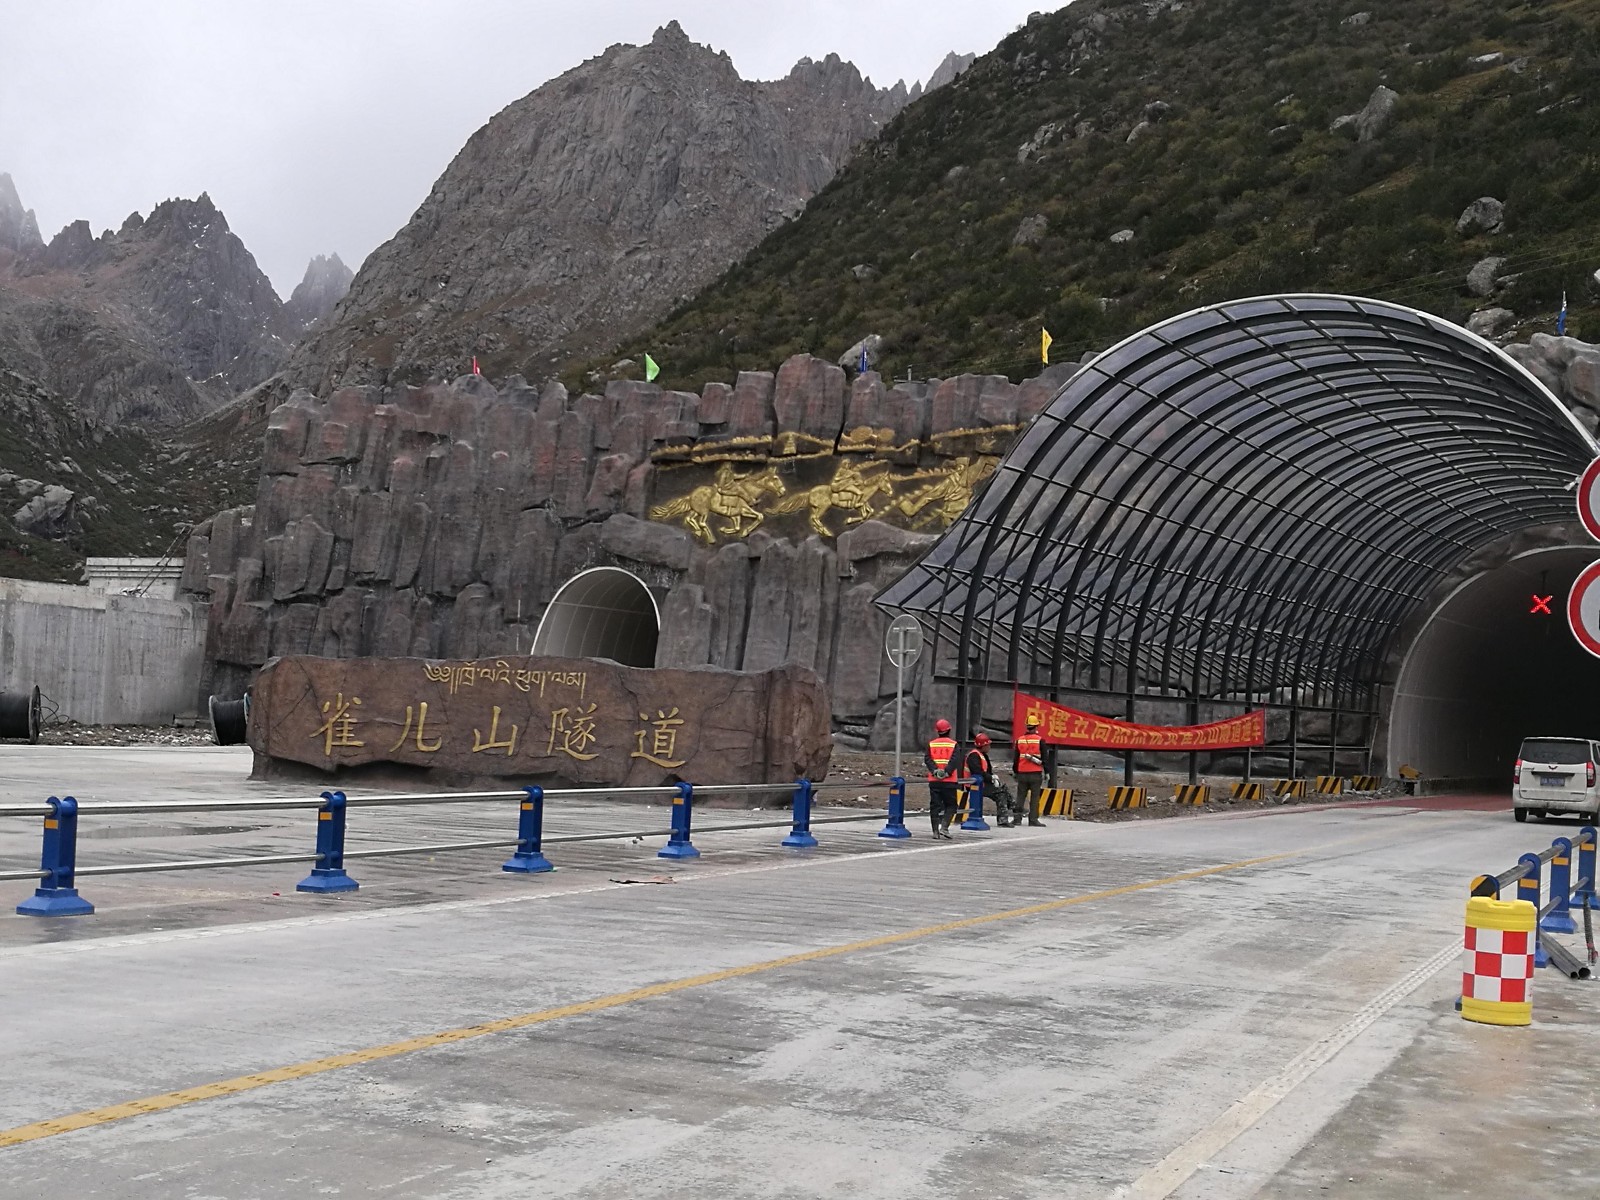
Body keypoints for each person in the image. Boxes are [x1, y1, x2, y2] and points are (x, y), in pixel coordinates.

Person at [965, 732, 1011, 827]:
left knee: (1003, 788)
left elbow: (987, 771)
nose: (989, 747)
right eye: (988, 745)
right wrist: (991, 778)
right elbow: (977, 772)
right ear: (983, 745)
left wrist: (992, 779)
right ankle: (1004, 818)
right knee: (1000, 793)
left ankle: (1014, 806)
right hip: (974, 786)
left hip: (982, 784)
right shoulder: (974, 756)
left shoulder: (982, 755)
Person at [924, 718, 959, 839]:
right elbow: (955, 760)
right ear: (949, 730)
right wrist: (946, 772)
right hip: (949, 782)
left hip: (934, 781)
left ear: (937, 731)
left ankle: (935, 831)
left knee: (935, 806)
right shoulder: (953, 744)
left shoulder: (931, 744)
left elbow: (927, 759)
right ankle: (944, 828)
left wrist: (934, 771)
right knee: (951, 805)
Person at [1013, 714, 1046, 827]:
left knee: (1020, 797)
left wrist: (1015, 772)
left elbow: (1016, 759)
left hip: (1022, 773)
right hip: (1035, 773)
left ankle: (1017, 819)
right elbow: (1045, 759)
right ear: (1036, 727)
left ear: (1027, 727)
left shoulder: (1019, 740)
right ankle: (1033, 820)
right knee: (1035, 797)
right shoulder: (1040, 740)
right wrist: (1047, 772)